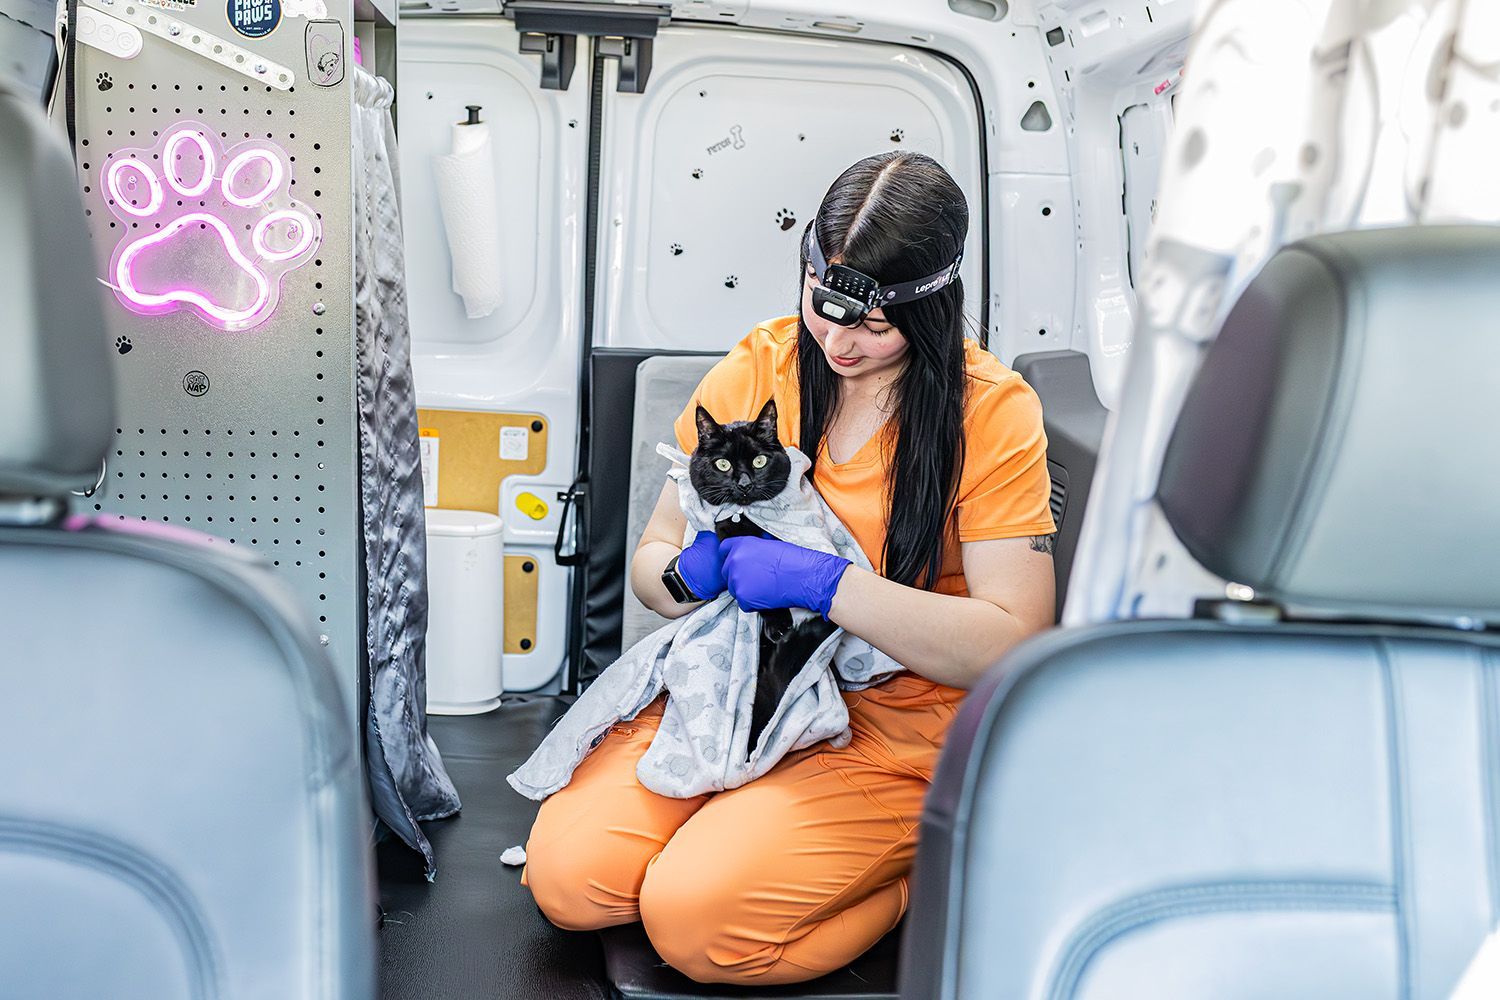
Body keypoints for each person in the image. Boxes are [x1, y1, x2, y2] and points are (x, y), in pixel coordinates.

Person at [522, 151, 1056, 985]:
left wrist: (826, 584)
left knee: (693, 924)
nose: (838, 343)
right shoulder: (762, 364)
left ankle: (911, 880)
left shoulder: (991, 413)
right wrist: (689, 576)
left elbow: (1010, 642)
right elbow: (652, 566)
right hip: (740, 687)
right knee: (568, 882)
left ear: (930, 306)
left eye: (872, 326)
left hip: (893, 729)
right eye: (822, 306)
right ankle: (745, 826)